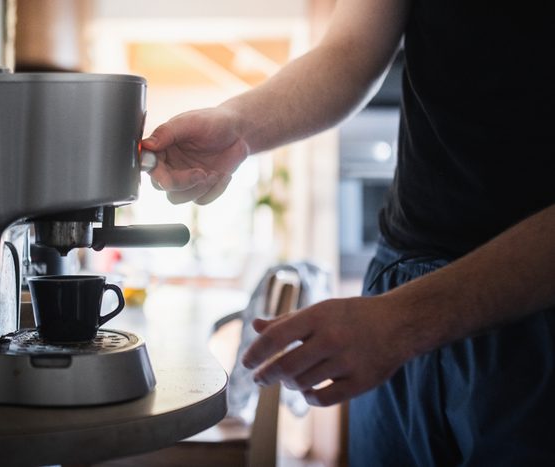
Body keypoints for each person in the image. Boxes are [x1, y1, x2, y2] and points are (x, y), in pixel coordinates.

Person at [142, 0, 555, 465]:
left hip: (528, 306)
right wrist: (238, 127)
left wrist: (404, 321)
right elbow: (349, 51)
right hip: (398, 282)